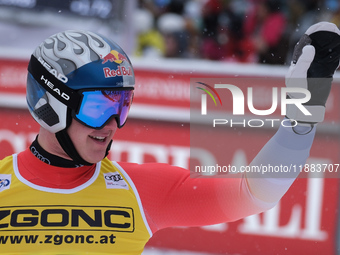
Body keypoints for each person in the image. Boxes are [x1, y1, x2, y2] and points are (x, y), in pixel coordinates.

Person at [0, 22, 339, 254]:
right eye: (99, 105)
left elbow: (253, 194)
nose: (113, 123)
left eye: (122, 105)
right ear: (50, 104)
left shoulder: (141, 190)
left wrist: (301, 118)